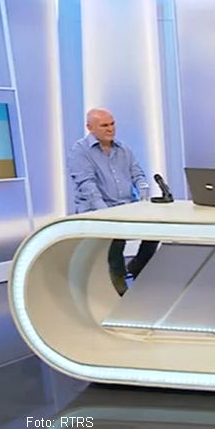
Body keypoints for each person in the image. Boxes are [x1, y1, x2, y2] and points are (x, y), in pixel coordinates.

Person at [68, 108, 158, 296]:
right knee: (114, 238)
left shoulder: (124, 148)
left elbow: (138, 174)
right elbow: (87, 185)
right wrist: (106, 214)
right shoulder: (80, 151)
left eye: (112, 124)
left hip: (126, 207)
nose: (110, 129)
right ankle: (118, 281)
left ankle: (137, 266)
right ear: (90, 128)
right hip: (97, 209)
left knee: (155, 229)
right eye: (104, 126)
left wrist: (144, 196)